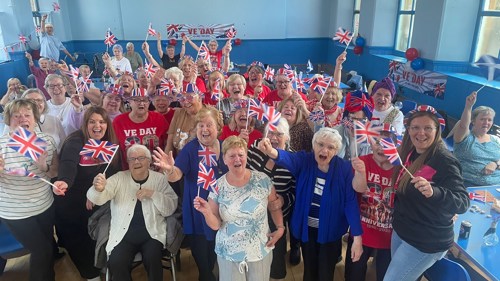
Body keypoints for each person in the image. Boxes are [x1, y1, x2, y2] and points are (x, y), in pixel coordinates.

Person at [258, 127, 363, 281]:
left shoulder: (344, 168)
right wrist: (271, 151)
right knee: (309, 270)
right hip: (307, 230)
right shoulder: (304, 160)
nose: (324, 150)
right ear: (313, 145)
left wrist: (358, 238)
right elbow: (286, 158)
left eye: (330, 147)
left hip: (331, 231)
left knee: (326, 272)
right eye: (320, 144)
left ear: (336, 151)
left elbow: (350, 203)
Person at [383, 106, 470, 281]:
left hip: (425, 242)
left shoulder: (445, 160)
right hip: (402, 231)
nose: (421, 133)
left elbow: (462, 202)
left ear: (437, 130)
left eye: (427, 128)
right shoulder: (410, 153)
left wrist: (434, 192)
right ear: (408, 130)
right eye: (415, 127)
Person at [193, 136, 284, 281]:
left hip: (259, 249)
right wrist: (206, 212)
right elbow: (216, 225)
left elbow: (274, 206)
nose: (237, 159)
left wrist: (280, 228)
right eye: (232, 156)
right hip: (229, 253)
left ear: (246, 156)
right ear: (224, 159)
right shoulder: (217, 186)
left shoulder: (263, 180)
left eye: (241, 155)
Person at [153, 107, 228, 281]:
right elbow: (176, 175)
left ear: (218, 127)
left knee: (217, 252)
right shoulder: (190, 148)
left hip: (222, 208)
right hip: (198, 209)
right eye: (200, 125)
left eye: (209, 125)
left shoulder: (225, 147)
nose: (204, 129)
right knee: (204, 260)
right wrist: (170, 169)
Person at [87, 144, 178, 281]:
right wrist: (98, 189)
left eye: (141, 158)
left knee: (153, 258)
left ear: (149, 161)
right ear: (128, 162)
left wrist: (152, 194)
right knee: (116, 262)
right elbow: (98, 198)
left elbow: (170, 207)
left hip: (152, 233)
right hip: (123, 235)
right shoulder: (119, 178)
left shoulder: (159, 179)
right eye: (132, 159)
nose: (136, 162)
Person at [53, 106, 121, 281]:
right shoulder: (75, 141)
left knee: (96, 236)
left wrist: (96, 192)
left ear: (107, 125)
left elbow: (114, 174)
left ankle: (98, 264)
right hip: (71, 200)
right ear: (85, 124)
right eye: (92, 121)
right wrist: (65, 181)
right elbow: (68, 164)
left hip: (96, 197)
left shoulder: (111, 145)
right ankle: (90, 275)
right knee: (79, 239)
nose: (97, 126)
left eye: (101, 121)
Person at [0, 99, 59, 281]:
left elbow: (54, 172)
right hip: (15, 212)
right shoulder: (1, 145)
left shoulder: (47, 141)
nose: (21, 119)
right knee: (41, 250)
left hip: (44, 205)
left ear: (35, 119)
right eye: (16, 116)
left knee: (48, 248)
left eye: (27, 115)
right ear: (8, 120)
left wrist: (43, 167)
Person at [345, 125, 398, 281]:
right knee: (353, 274)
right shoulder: (361, 162)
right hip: (361, 232)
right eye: (378, 142)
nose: (381, 147)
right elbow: (357, 189)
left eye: (387, 143)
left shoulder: (401, 169)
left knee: (385, 275)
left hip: (389, 237)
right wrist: (361, 173)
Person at [246, 119, 296, 281]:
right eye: (271, 133)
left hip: (278, 216)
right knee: (253, 253)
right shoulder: (254, 148)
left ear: (287, 137)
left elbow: (296, 191)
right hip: (253, 212)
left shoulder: (293, 159)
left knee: (276, 259)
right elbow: (246, 175)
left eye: (279, 134)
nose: (274, 138)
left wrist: (283, 199)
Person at [113, 89, 169, 169]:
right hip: (130, 171)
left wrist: (163, 166)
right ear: (129, 102)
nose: (141, 103)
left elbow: (168, 143)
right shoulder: (119, 121)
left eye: (145, 100)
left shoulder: (159, 118)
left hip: (156, 170)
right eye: (137, 100)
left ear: (149, 102)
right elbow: (114, 148)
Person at [454, 91, 500, 186]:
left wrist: (496, 163)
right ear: (473, 121)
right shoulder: (465, 138)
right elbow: (463, 126)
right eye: (482, 119)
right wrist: (468, 107)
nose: (486, 122)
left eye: (489, 120)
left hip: (496, 185)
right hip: (469, 186)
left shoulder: (495, 139)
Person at [164, 83, 206, 157]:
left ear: (199, 97)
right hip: (179, 162)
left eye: (189, 97)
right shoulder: (178, 113)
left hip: (202, 162)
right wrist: (166, 163)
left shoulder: (210, 113)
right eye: (182, 99)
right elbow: (169, 144)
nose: (186, 102)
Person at [335, 90, 374, 160]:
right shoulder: (335, 132)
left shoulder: (372, 139)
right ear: (346, 116)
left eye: (360, 120)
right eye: (352, 118)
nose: (355, 123)